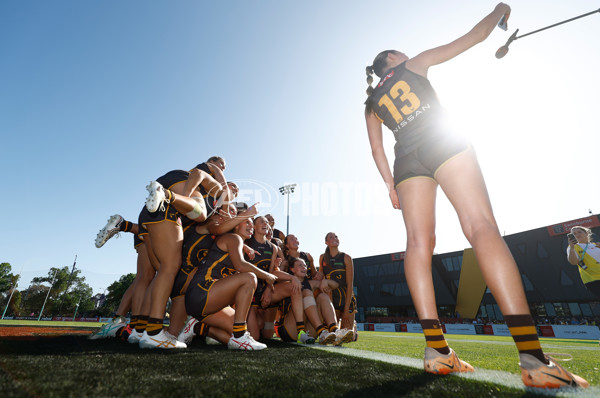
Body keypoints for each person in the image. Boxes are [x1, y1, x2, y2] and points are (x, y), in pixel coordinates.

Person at [363, 3, 588, 388]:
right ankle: (533, 358)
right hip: (440, 139)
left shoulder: (370, 102)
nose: (405, 52)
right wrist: (501, 9)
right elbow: (475, 37)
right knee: (481, 227)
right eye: (399, 51)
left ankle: (436, 351)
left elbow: (377, 150)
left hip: (406, 161)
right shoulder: (412, 64)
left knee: (418, 243)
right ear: (393, 61)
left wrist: (389, 184)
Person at [185, 218, 278, 350]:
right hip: (202, 292)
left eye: (252, 224)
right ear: (236, 225)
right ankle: (239, 336)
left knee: (243, 335)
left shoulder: (240, 245)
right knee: (249, 278)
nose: (251, 226)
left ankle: (197, 327)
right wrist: (267, 276)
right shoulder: (233, 238)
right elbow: (240, 265)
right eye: (247, 222)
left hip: (210, 301)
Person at [318, 233, 356, 334]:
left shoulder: (346, 258)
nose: (334, 238)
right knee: (333, 335)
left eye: (336, 237)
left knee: (346, 336)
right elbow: (320, 274)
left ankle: (354, 329)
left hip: (345, 297)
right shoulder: (322, 257)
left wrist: (346, 310)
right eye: (331, 237)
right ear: (326, 242)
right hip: (332, 298)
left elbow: (349, 284)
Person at [566, 226, 600, 298]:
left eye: (579, 232)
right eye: (574, 234)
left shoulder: (596, 245)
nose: (577, 234)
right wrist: (572, 249)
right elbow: (573, 262)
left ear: (586, 233)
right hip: (593, 280)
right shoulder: (573, 247)